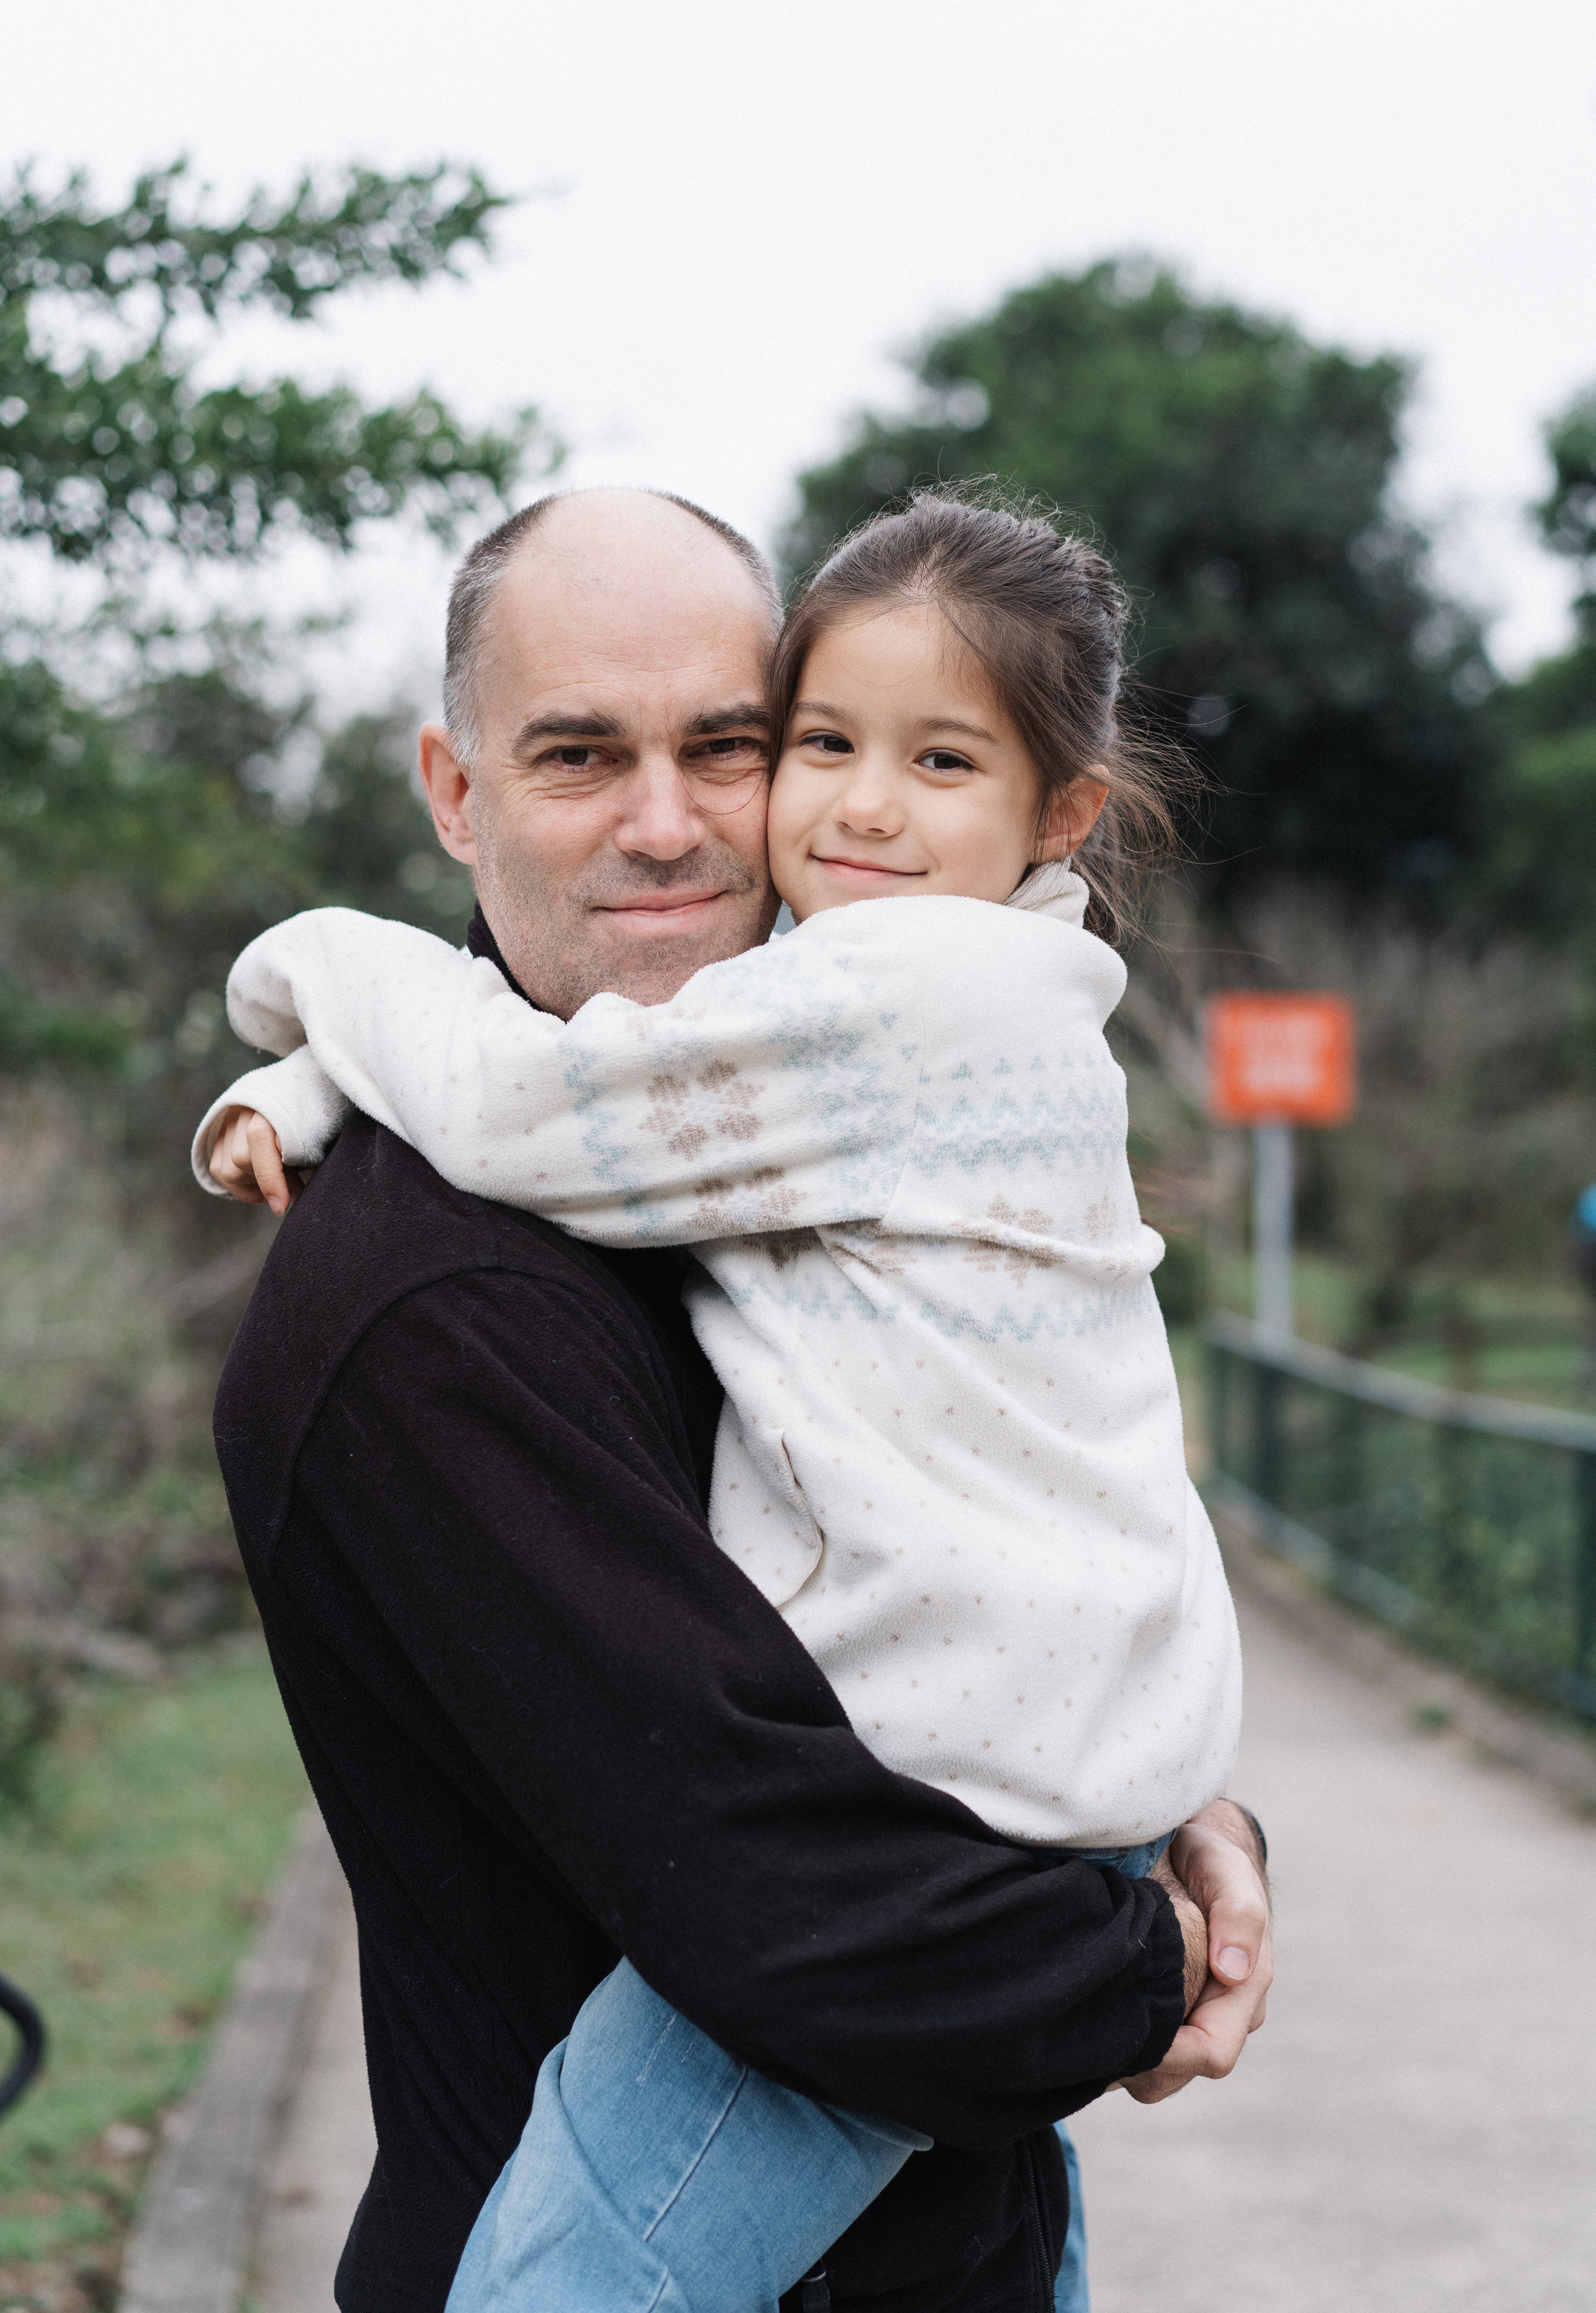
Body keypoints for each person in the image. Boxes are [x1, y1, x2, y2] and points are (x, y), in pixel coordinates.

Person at [200, 490, 1270, 2313]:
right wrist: (1151, 1960)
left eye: (731, 745)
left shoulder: (799, 1113)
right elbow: (792, 1901)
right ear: (457, 795)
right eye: (578, 756)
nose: (674, 823)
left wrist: (1188, 1819)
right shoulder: (438, 1305)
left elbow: (1012, 1533)